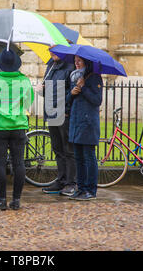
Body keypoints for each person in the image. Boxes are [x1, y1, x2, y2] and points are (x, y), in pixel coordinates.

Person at [0, 49, 34, 210]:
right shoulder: (24, 81)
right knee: (18, 163)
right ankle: (16, 200)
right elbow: (28, 102)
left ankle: (2, 199)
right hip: (18, 125)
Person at [36, 49, 76, 196]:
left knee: (68, 150)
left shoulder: (70, 67)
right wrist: (42, 90)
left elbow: (73, 91)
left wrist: (66, 108)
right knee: (58, 149)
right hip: (51, 112)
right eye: (50, 48)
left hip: (64, 113)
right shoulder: (51, 65)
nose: (52, 51)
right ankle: (61, 180)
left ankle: (71, 183)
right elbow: (50, 89)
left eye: (56, 48)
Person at [66, 56, 103, 201]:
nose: (76, 63)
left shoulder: (94, 78)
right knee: (78, 158)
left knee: (89, 157)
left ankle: (90, 190)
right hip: (76, 121)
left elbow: (97, 100)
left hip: (88, 123)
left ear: (86, 63)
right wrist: (72, 93)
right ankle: (80, 188)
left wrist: (83, 87)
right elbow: (69, 98)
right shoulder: (74, 77)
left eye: (79, 61)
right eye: (75, 60)